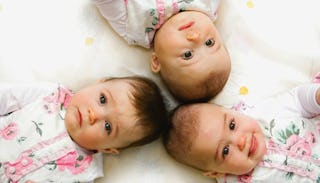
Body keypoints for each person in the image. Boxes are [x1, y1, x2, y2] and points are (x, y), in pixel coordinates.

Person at [0, 76, 168, 183]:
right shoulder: (52, 96)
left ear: (107, 148)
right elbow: (7, 97)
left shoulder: (85, 173)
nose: (93, 114)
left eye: (108, 126)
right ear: (100, 82)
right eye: (102, 99)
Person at [163, 82, 320, 182]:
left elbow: (298, 101)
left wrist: (316, 97)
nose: (241, 141)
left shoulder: (264, 112)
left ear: (233, 111)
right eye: (225, 151)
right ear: (214, 172)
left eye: (232, 125)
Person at [92, 0, 231, 103]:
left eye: (187, 55)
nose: (195, 37)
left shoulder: (135, 28)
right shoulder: (207, 5)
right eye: (209, 43)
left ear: (156, 61)